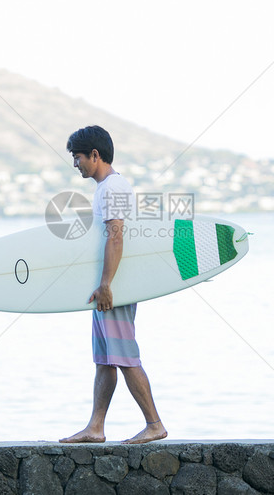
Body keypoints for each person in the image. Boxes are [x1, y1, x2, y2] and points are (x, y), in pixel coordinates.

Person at [59, 125, 168, 445]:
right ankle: (96, 427)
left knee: (124, 356)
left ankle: (154, 424)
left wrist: (107, 284)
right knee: (105, 359)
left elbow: (116, 235)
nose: (75, 164)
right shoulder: (105, 187)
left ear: (95, 155)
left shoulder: (113, 187)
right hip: (106, 286)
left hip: (114, 288)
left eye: (77, 158)